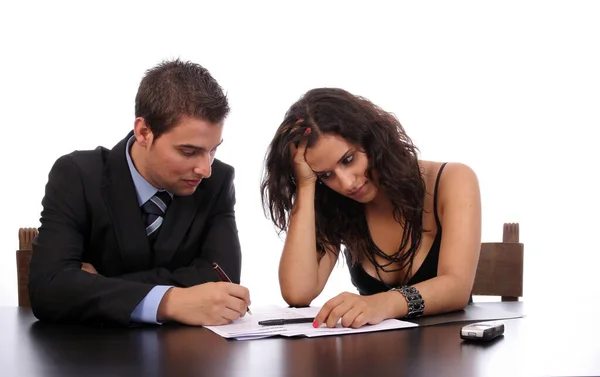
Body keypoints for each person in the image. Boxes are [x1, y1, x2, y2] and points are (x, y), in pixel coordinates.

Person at [29, 59, 251, 327]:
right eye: (189, 151)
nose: (205, 169)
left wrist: (98, 284)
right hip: (88, 358)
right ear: (144, 132)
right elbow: (49, 289)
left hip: (184, 358)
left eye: (213, 149)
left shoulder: (218, 182)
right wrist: (170, 301)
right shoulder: (77, 175)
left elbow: (222, 283)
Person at [260, 88, 481, 329]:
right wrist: (305, 184)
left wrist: (381, 304)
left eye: (348, 160)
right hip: (376, 359)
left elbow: (457, 287)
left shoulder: (453, 180)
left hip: (451, 354)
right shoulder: (337, 205)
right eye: (326, 175)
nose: (346, 183)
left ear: (372, 140)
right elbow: (298, 293)